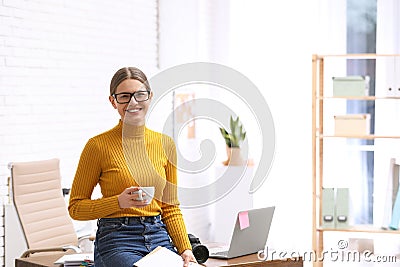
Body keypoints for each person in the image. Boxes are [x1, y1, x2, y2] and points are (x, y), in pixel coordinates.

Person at [68, 67, 197, 267]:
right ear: (113, 101)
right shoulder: (97, 146)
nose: (133, 102)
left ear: (149, 97)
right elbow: (76, 208)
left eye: (140, 95)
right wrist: (118, 202)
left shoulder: (165, 144)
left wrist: (185, 249)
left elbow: (170, 207)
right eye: (125, 97)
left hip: (158, 236)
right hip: (116, 238)